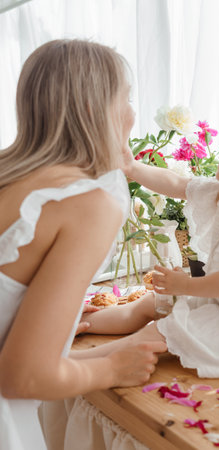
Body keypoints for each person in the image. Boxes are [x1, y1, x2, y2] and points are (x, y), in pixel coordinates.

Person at [0, 39, 167, 450]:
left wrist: (119, 349)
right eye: (127, 99)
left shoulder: (9, 175)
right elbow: (23, 377)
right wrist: (111, 370)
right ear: (97, 110)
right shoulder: (86, 204)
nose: (132, 114)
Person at [82, 106, 219, 379]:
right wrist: (130, 166)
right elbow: (174, 182)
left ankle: (71, 362)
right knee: (149, 303)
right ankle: (76, 325)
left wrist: (185, 285)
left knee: (156, 332)